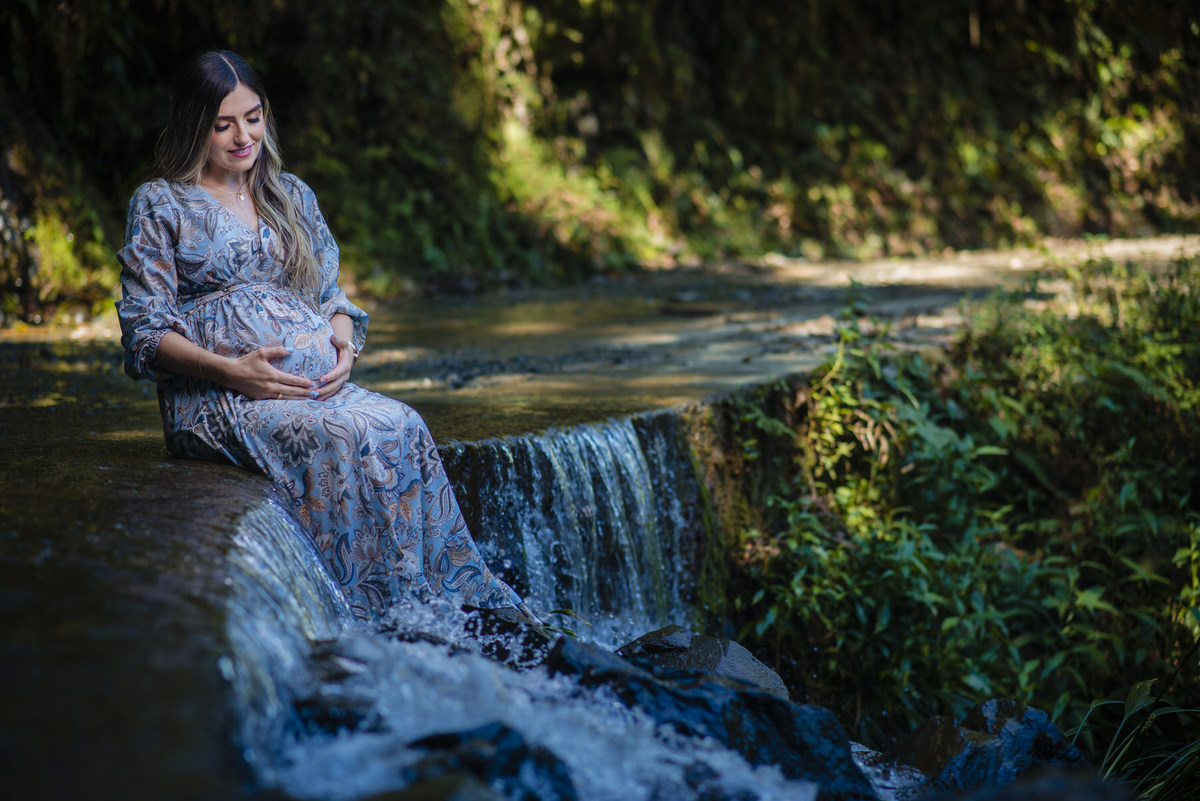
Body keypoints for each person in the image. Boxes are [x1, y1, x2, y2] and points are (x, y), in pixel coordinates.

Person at [116, 50, 532, 622]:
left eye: (253, 118)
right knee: (343, 437)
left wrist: (343, 347)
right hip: (217, 398)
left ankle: (445, 604)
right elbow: (144, 329)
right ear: (194, 127)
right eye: (223, 125)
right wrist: (232, 371)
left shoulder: (289, 194)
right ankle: (371, 613)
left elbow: (332, 296)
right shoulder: (161, 204)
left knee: (404, 424)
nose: (244, 136)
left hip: (314, 388)